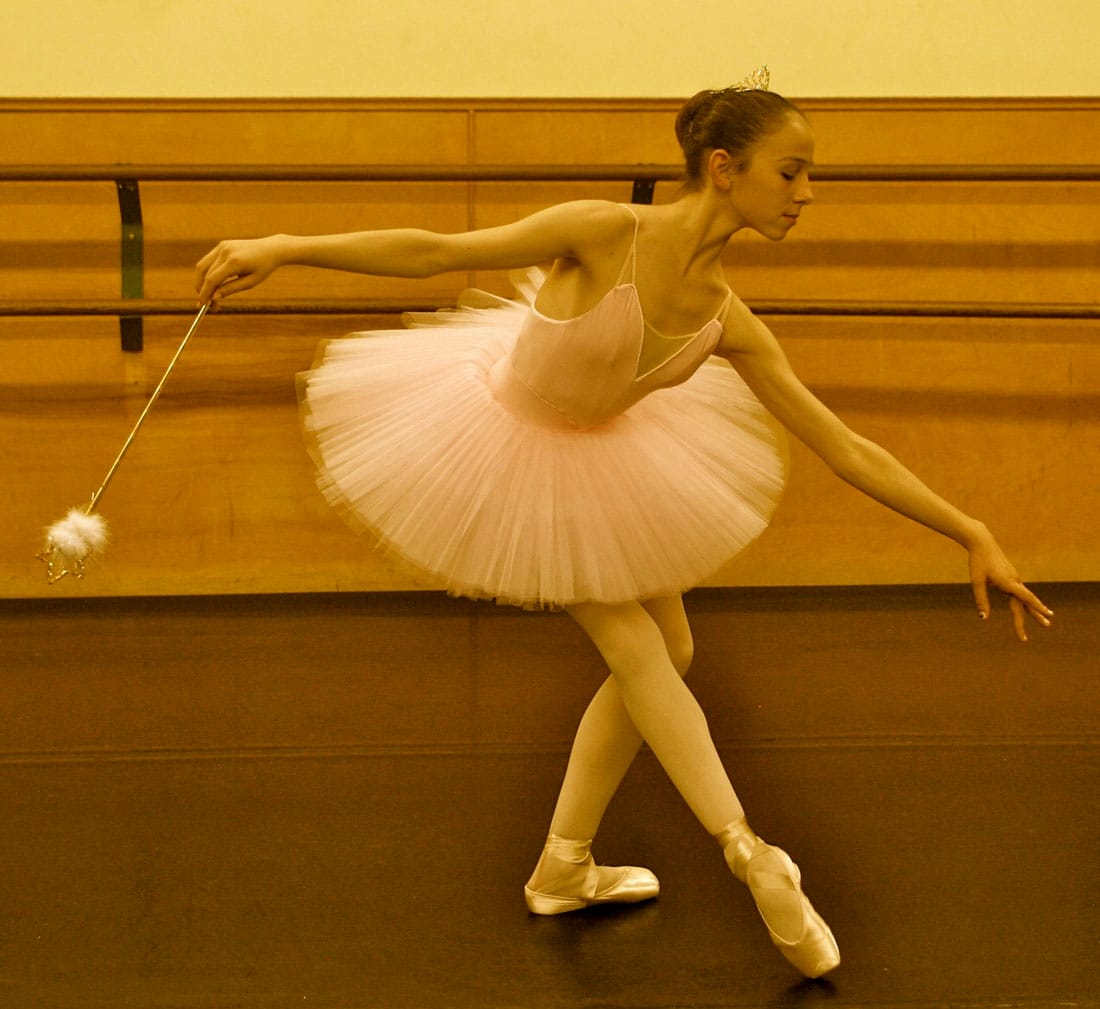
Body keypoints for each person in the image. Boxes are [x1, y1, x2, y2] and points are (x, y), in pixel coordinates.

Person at [194, 73, 1052, 979]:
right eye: (791, 172)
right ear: (725, 169)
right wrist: (285, 245)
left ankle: (564, 865)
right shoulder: (605, 231)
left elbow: (844, 446)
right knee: (637, 645)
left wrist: (971, 529)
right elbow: (437, 250)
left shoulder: (729, 320)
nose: (807, 194)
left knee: (667, 648)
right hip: (506, 446)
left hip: (609, 453)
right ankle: (748, 848)